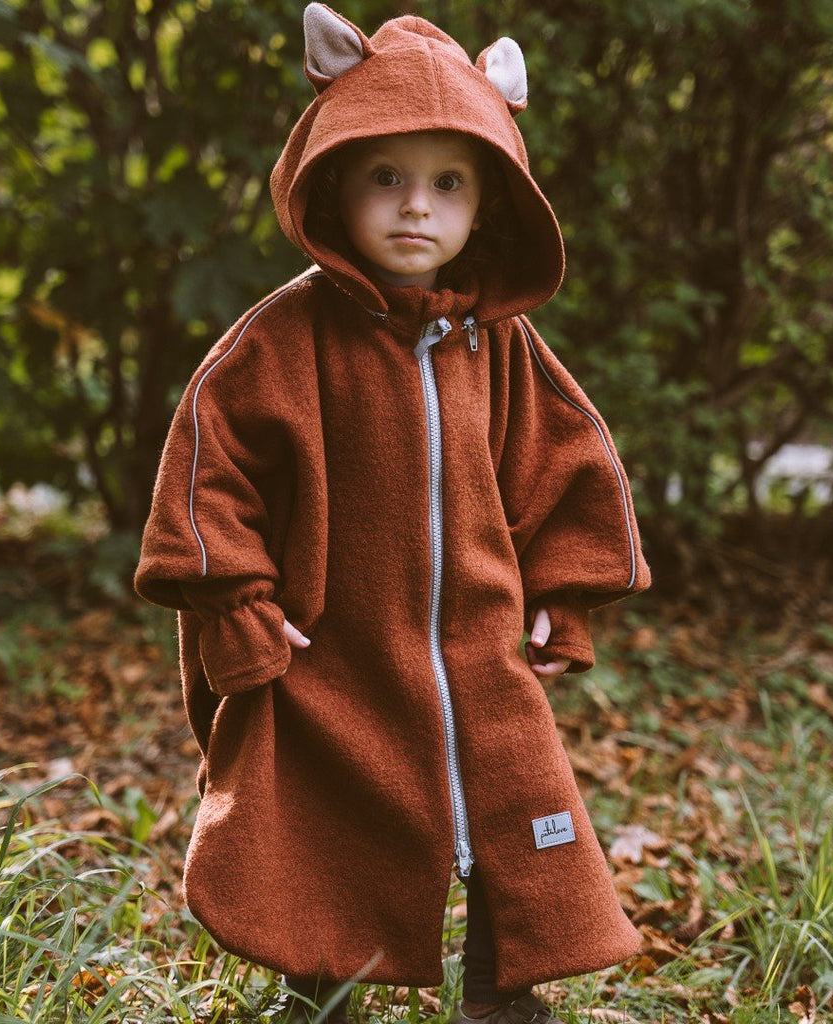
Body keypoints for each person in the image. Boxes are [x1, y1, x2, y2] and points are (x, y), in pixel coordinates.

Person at [135, 5, 651, 1023]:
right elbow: (207, 473)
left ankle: (505, 993)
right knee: (327, 819)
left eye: (447, 182)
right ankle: (317, 987)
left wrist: (564, 593)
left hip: (479, 645)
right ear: (332, 178)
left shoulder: (498, 346)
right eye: (386, 176)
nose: (416, 207)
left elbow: (566, 469)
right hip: (334, 644)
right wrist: (234, 597)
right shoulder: (279, 342)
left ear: (486, 203)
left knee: (517, 805)